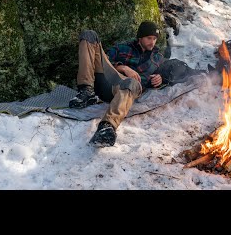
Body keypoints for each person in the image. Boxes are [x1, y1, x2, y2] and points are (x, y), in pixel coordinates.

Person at [69, 21, 205, 147]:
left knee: (132, 83)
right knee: (89, 35)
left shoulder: (157, 58)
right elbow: (105, 61)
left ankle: (107, 128)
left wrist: (160, 78)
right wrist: (122, 67)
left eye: (155, 38)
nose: (152, 42)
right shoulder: (122, 48)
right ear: (140, 37)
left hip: (124, 90)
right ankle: (86, 91)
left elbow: (177, 71)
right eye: (149, 38)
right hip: (107, 79)